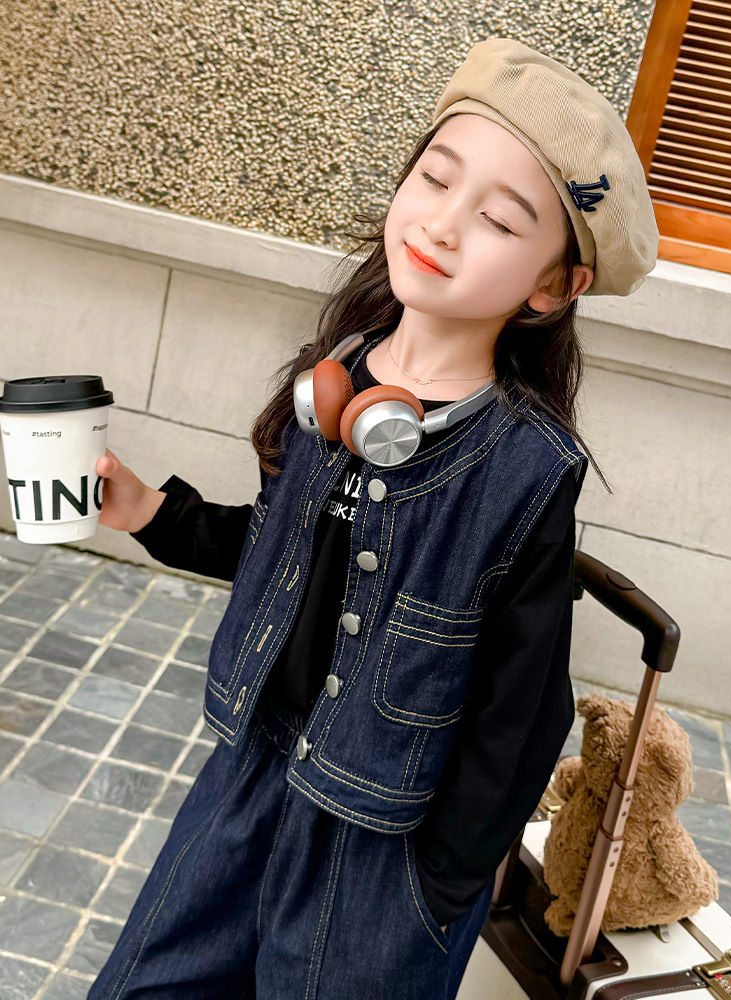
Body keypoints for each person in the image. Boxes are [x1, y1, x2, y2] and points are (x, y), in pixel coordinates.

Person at [88, 37, 658, 1000]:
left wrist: (441, 879)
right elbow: (274, 551)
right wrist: (150, 512)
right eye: (435, 178)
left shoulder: (525, 469)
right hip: (249, 778)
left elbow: (524, 710)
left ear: (552, 287)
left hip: (383, 839)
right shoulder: (335, 379)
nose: (443, 223)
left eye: (499, 220)